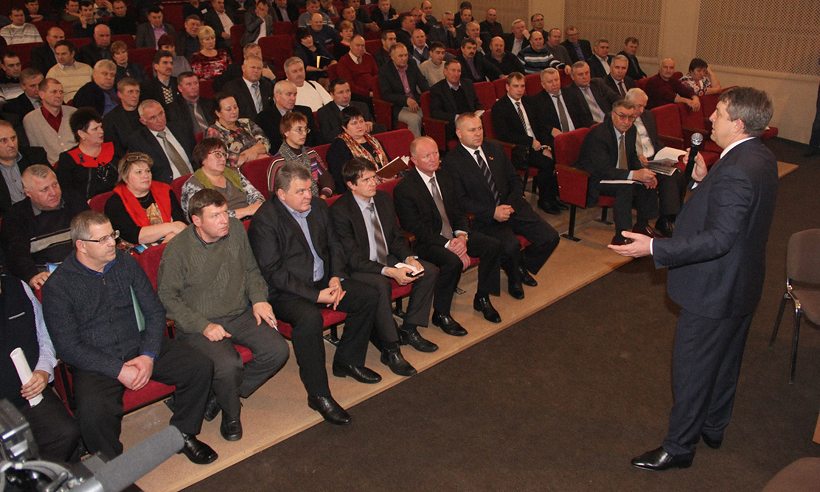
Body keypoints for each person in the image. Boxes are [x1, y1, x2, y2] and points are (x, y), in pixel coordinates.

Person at [609, 87, 778, 472]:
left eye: (719, 113)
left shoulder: (736, 168)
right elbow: (734, 215)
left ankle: (679, 448)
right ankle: (714, 426)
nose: (710, 118)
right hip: (742, 281)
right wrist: (703, 181)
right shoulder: (760, 155)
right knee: (726, 360)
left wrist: (655, 248)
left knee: (693, 371)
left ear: (738, 124)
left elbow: (719, 239)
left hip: (714, 289)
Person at [42, 210, 218, 464]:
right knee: (92, 412)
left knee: (199, 366)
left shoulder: (125, 263)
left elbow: (154, 311)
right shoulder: (58, 287)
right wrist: (118, 370)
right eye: (102, 239)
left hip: (138, 344)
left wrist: (148, 355)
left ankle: (183, 434)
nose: (111, 243)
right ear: (81, 245)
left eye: (112, 235)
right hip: (96, 362)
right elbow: (68, 347)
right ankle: (114, 468)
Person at [248, 161, 381, 425]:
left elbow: (334, 244)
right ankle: (319, 395)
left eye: (309, 188)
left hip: (323, 280)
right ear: (281, 194)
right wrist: (316, 296)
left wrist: (335, 277)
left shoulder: (318, 206)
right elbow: (274, 272)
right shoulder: (264, 220)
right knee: (310, 320)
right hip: (286, 292)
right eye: (300, 191)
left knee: (367, 296)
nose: (308, 195)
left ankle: (347, 361)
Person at [158, 188, 288, 441]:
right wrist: (203, 326)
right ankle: (231, 413)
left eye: (225, 213)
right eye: (215, 216)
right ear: (196, 220)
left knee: (277, 351)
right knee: (228, 366)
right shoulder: (177, 249)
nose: (224, 220)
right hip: (199, 323)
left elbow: (251, 270)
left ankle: (221, 395)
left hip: (238, 312)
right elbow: (168, 298)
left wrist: (259, 299)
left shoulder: (236, 230)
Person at [330, 157, 438, 369]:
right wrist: (388, 271)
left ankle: (409, 328)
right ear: (351, 185)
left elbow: (395, 236)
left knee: (428, 271)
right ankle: (391, 349)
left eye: (374, 177)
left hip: (385, 257)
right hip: (358, 267)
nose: (373, 183)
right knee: (381, 285)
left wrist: (408, 258)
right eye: (366, 180)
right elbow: (352, 257)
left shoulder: (383, 199)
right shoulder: (340, 211)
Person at [442, 113, 560, 301]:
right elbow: (461, 200)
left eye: (480, 128)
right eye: (472, 130)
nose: (478, 133)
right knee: (511, 246)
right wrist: (493, 212)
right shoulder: (452, 161)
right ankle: (514, 278)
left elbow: (514, 179)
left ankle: (520, 265)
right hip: (486, 218)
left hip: (513, 207)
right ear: (459, 133)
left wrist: (509, 204)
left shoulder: (495, 148)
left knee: (550, 237)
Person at [394, 135, 502, 331]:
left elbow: (457, 212)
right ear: (414, 161)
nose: (433, 159)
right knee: (452, 262)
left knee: (492, 245)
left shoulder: (444, 177)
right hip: (426, 242)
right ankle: (441, 313)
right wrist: (448, 244)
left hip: (453, 235)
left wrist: (461, 236)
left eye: (435, 153)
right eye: (426, 156)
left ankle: (482, 298)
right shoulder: (405, 188)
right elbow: (415, 227)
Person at [0, 266, 82, 464]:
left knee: (66, 433)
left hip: (30, 394)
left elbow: (44, 333)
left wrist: (43, 370)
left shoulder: (18, 287)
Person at [572, 99, 662, 245]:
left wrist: (642, 172)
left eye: (631, 117)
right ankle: (620, 236)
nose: (626, 121)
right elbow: (603, 170)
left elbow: (632, 156)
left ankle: (642, 225)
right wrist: (634, 175)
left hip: (617, 173)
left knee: (646, 180)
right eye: (622, 116)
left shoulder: (631, 130)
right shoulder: (599, 134)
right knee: (625, 187)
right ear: (613, 115)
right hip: (594, 178)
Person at [0, 165, 89, 289]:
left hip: (87, 270)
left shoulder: (74, 200)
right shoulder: (16, 216)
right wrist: (32, 275)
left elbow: (95, 233)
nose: (53, 193)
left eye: (55, 185)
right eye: (44, 189)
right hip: (51, 281)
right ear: (28, 193)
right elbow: (16, 255)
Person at [492, 72, 561, 214]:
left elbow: (540, 127)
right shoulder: (500, 107)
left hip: (537, 144)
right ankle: (545, 201)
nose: (520, 90)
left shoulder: (529, 102)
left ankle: (553, 197)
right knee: (547, 163)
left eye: (522, 86)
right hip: (519, 149)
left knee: (558, 155)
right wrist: (530, 142)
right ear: (507, 87)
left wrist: (545, 146)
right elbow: (505, 135)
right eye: (516, 86)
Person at [625, 87, 687, 237]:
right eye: (638, 106)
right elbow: (620, 147)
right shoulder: (622, 118)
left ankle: (666, 218)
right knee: (656, 178)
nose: (641, 110)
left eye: (644, 106)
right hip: (635, 161)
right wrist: (636, 156)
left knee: (676, 174)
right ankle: (651, 222)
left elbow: (655, 141)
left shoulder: (648, 116)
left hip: (653, 159)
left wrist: (664, 156)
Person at [104, 152, 186, 247]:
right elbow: (134, 236)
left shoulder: (165, 190)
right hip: (135, 249)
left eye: (147, 171)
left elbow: (181, 223)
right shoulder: (115, 203)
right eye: (138, 172)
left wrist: (169, 238)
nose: (145, 175)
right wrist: (172, 227)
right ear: (125, 177)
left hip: (172, 240)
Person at [181, 138, 264, 219]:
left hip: (251, 218)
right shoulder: (193, 185)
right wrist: (246, 211)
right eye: (217, 154)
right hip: (224, 226)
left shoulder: (233, 172)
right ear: (202, 158)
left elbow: (255, 195)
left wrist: (257, 206)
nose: (223, 159)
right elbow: (206, 217)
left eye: (224, 154)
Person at [126, 99, 196, 184]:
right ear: (143, 121)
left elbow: (197, 156)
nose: (159, 120)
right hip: (167, 185)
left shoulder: (182, 128)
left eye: (160, 114)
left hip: (197, 179)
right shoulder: (138, 142)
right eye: (153, 118)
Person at [56, 108, 118, 200]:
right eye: (95, 129)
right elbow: (67, 193)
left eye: (101, 127)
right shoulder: (68, 159)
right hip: (86, 206)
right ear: (81, 134)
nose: (101, 131)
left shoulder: (113, 148)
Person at [269, 111, 334, 198]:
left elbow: (327, 180)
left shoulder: (310, 153)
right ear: (286, 132)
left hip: (316, 201)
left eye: (305, 129)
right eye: (299, 129)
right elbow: (274, 196)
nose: (304, 133)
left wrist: (323, 197)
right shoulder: (278, 162)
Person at [326, 106, 391, 191]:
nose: (359, 126)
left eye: (361, 121)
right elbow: (341, 179)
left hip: (385, 184)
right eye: (354, 123)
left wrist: (392, 176)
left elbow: (389, 163)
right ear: (344, 127)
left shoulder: (373, 141)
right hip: (359, 191)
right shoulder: (338, 147)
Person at [205, 92, 270, 169]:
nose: (234, 112)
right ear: (218, 113)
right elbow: (224, 158)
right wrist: (255, 158)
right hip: (239, 170)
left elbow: (265, 141)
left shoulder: (246, 122)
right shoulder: (213, 132)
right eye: (228, 109)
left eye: (235, 107)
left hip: (264, 161)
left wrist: (254, 150)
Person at [378, 43, 429, 138]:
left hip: (415, 102)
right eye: (400, 56)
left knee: (431, 113)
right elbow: (387, 95)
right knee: (414, 119)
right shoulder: (385, 71)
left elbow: (422, 83)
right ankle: (416, 146)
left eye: (406, 55)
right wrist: (406, 100)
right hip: (398, 106)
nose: (404, 58)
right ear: (392, 56)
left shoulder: (412, 64)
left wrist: (429, 95)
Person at [23, 78, 78, 165]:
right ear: (41, 94)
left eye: (61, 92)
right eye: (54, 92)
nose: (59, 95)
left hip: (78, 162)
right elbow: (35, 151)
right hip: (51, 166)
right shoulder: (30, 119)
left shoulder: (73, 113)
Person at [0, 120, 49, 216]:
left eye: (13, 138)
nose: (11, 144)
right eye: (3, 140)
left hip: (42, 211)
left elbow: (52, 188)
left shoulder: (35, 156)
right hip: (9, 218)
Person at [256, 80, 321, 151]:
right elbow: (271, 145)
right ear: (277, 96)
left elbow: (315, 138)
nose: (293, 98)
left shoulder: (305, 112)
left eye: (295, 94)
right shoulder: (264, 118)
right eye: (288, 94)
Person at [429, 59, 482, 142]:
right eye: (453, 70)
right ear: (445, 72)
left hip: (472, 121)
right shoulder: (438, 89)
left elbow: (476, 103)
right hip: (455, 126)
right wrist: (457, 117)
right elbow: (436, 112)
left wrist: (479, 111)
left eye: (459, 71)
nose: (456, 74)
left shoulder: (468, 84)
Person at [317, 78, 381, 143]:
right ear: (332, 95)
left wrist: (371, 125)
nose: (345, 96)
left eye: (348, 91)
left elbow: (376, 130)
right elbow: (328, 137)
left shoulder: (362, 106)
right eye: (340, 92)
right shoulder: (324, 112)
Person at [562, 61, 621, 128]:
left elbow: (616, 98)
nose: (585, 77)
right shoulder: (569, 92)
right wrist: (601, 126)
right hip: (592, 127)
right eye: (580, 74)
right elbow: (581, 120)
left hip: (611, 121)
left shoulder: (598, 83)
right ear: (572, 77)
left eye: (587, 73)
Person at [221, 55, 273, 122]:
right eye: (253, 67)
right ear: (243, 68)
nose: (256, 71)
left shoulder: (267, 85)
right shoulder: (232, 88)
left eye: (259, 68)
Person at [335, 35, 379, 107]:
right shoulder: (343, 62)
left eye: (362, 46)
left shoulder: (368, 57)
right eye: (357, 46)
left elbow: (377, 75)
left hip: (373, 90)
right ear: (350, 46)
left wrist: (376, 90)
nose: (360, 48)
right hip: (357, 94)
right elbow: (349, 85)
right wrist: (368, 93)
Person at [103, 78, 142, 155]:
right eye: (130, 92)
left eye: (137, 91)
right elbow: (113, 148)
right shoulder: (110, 118)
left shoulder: (146, 112)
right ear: (119, 94)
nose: (135, 95)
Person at [140, 50, 181, 119]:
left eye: (171, 63)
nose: (169, 66)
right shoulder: (147, 86)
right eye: (165, 63)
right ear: (156, 66)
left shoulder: (178, 82)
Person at [176, 71, 215, 135]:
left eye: (195, 83)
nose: (193, 87)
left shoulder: (209, 103)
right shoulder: (174, 109)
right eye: (188, 84)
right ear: (180, 88)